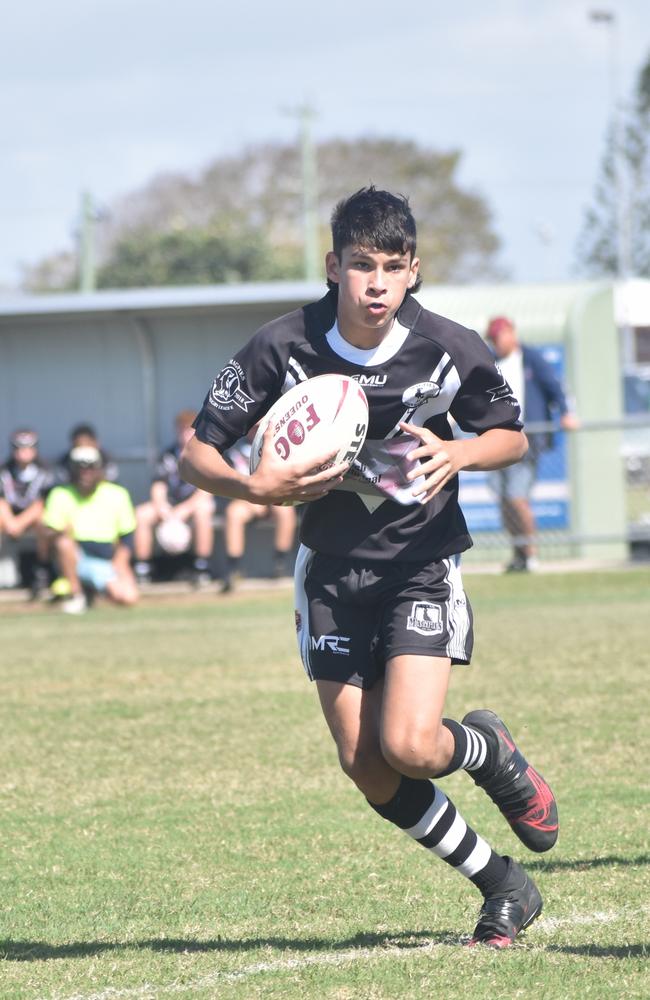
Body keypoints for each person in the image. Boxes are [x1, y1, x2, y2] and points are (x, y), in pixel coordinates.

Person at [179, 186, 558, 948]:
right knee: (366, 763)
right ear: (333, 266)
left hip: (420, 566)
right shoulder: (282, 347)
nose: (376, 283)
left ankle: (488, 750)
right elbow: (196, 450)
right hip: (329, 576)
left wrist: (460, 450)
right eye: (360, 265)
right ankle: (502, 883)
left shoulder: (446, 347)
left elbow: (512, 438)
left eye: (392, 265)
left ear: (414, 270)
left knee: (412, 745)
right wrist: (251, 485)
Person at [485, 316, 578, 573]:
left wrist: (567, 413)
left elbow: (555, 388)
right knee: (504, 501)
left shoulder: (533, 358)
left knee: (517, 497)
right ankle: (519, 554)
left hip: (527, 439)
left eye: (499, 336)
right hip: (495, 439)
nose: (496, 342)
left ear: (512, 333)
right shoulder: (490, 362)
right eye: (492, 338)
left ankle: (531, 553)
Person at [42, 445, 139, 614]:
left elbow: (127, 537)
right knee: (64, 543)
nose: (85, 473)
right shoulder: (60, 494)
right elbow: (48, 534)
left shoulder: (117, 494)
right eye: (80, 468)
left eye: (90, 468)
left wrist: (120, 562)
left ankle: (93, 590)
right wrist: (61, 531)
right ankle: (77, 595)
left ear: (99, 469)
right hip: (75, 558)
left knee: (129, 596)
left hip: (107, 558)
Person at [133, 410, 216, 586]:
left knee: (204, 509)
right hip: (170, 505)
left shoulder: (208, 453)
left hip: (193, 504)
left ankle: (202, 566)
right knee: (142, 514)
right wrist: (164, 510)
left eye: (189, 429)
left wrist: (184, 510)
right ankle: (142, 568)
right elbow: (158, 487)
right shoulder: (168, 456)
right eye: (182, 429)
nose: (185, 434)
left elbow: (208, 490)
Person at [220, 436, 297, 593]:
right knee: (233, 513)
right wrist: (252, 497)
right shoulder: (234, 449)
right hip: (247, 497)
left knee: (286, 511)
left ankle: (279, 562)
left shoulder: (281, 441)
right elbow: (228, 480)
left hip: (276, 495)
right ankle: (233, 568)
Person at [0, 428, 54, 596]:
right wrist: (11, 522)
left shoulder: (45, 471)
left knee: (42, 518)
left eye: (28, 447)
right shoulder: (4, 471)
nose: (23, 452)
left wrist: (19, 523)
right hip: (8, 518)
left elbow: (43, 502)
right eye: (19, 447)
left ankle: (42, 568)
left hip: (32, 519)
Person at [55, 422, 120, 485]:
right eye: (79, 446)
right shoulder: (65, 461)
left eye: (87, 444)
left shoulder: (106, 458)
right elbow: (62, 477)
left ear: (96, 443)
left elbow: (112, 476)